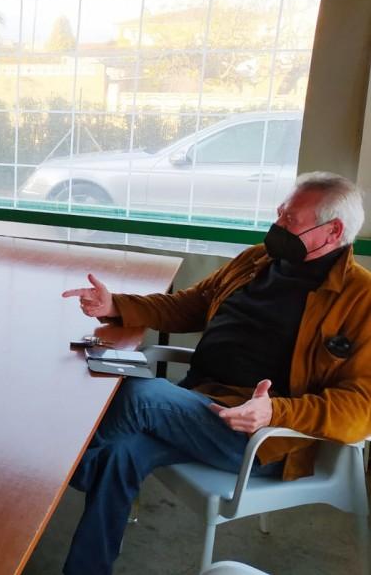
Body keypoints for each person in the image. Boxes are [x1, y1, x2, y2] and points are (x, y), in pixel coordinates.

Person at [60, 171, 371, 574]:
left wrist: (275, 412)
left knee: (139, 395)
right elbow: (190, 305)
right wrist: (116, 305)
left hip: (258, 436)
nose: (277, 224)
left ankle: (58, 472)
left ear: (333, 231)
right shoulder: (257, 260)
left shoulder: (360, 299)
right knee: (121, 453)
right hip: (199, 401)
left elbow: (361, 408)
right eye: (280, 212)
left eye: (290, 220)